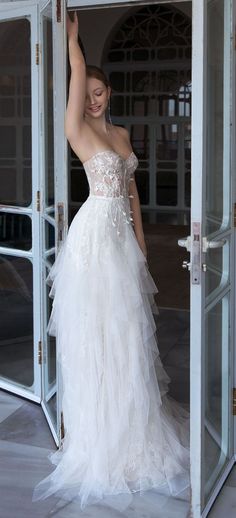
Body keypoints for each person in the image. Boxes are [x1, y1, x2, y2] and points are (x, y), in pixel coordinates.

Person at [33, 11, 190, 511]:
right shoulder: (77, 131)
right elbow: (77, 78)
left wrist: (143, 245)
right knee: (92, 334)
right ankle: (93, 434)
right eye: (89, 91)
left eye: (101, 91)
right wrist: (73, 44)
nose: (94, 97)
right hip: (91, 242)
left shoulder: (121, 137)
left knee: (127, 333)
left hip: (121, 240)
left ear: (111, 94)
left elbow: (133, 196)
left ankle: (130, 427)